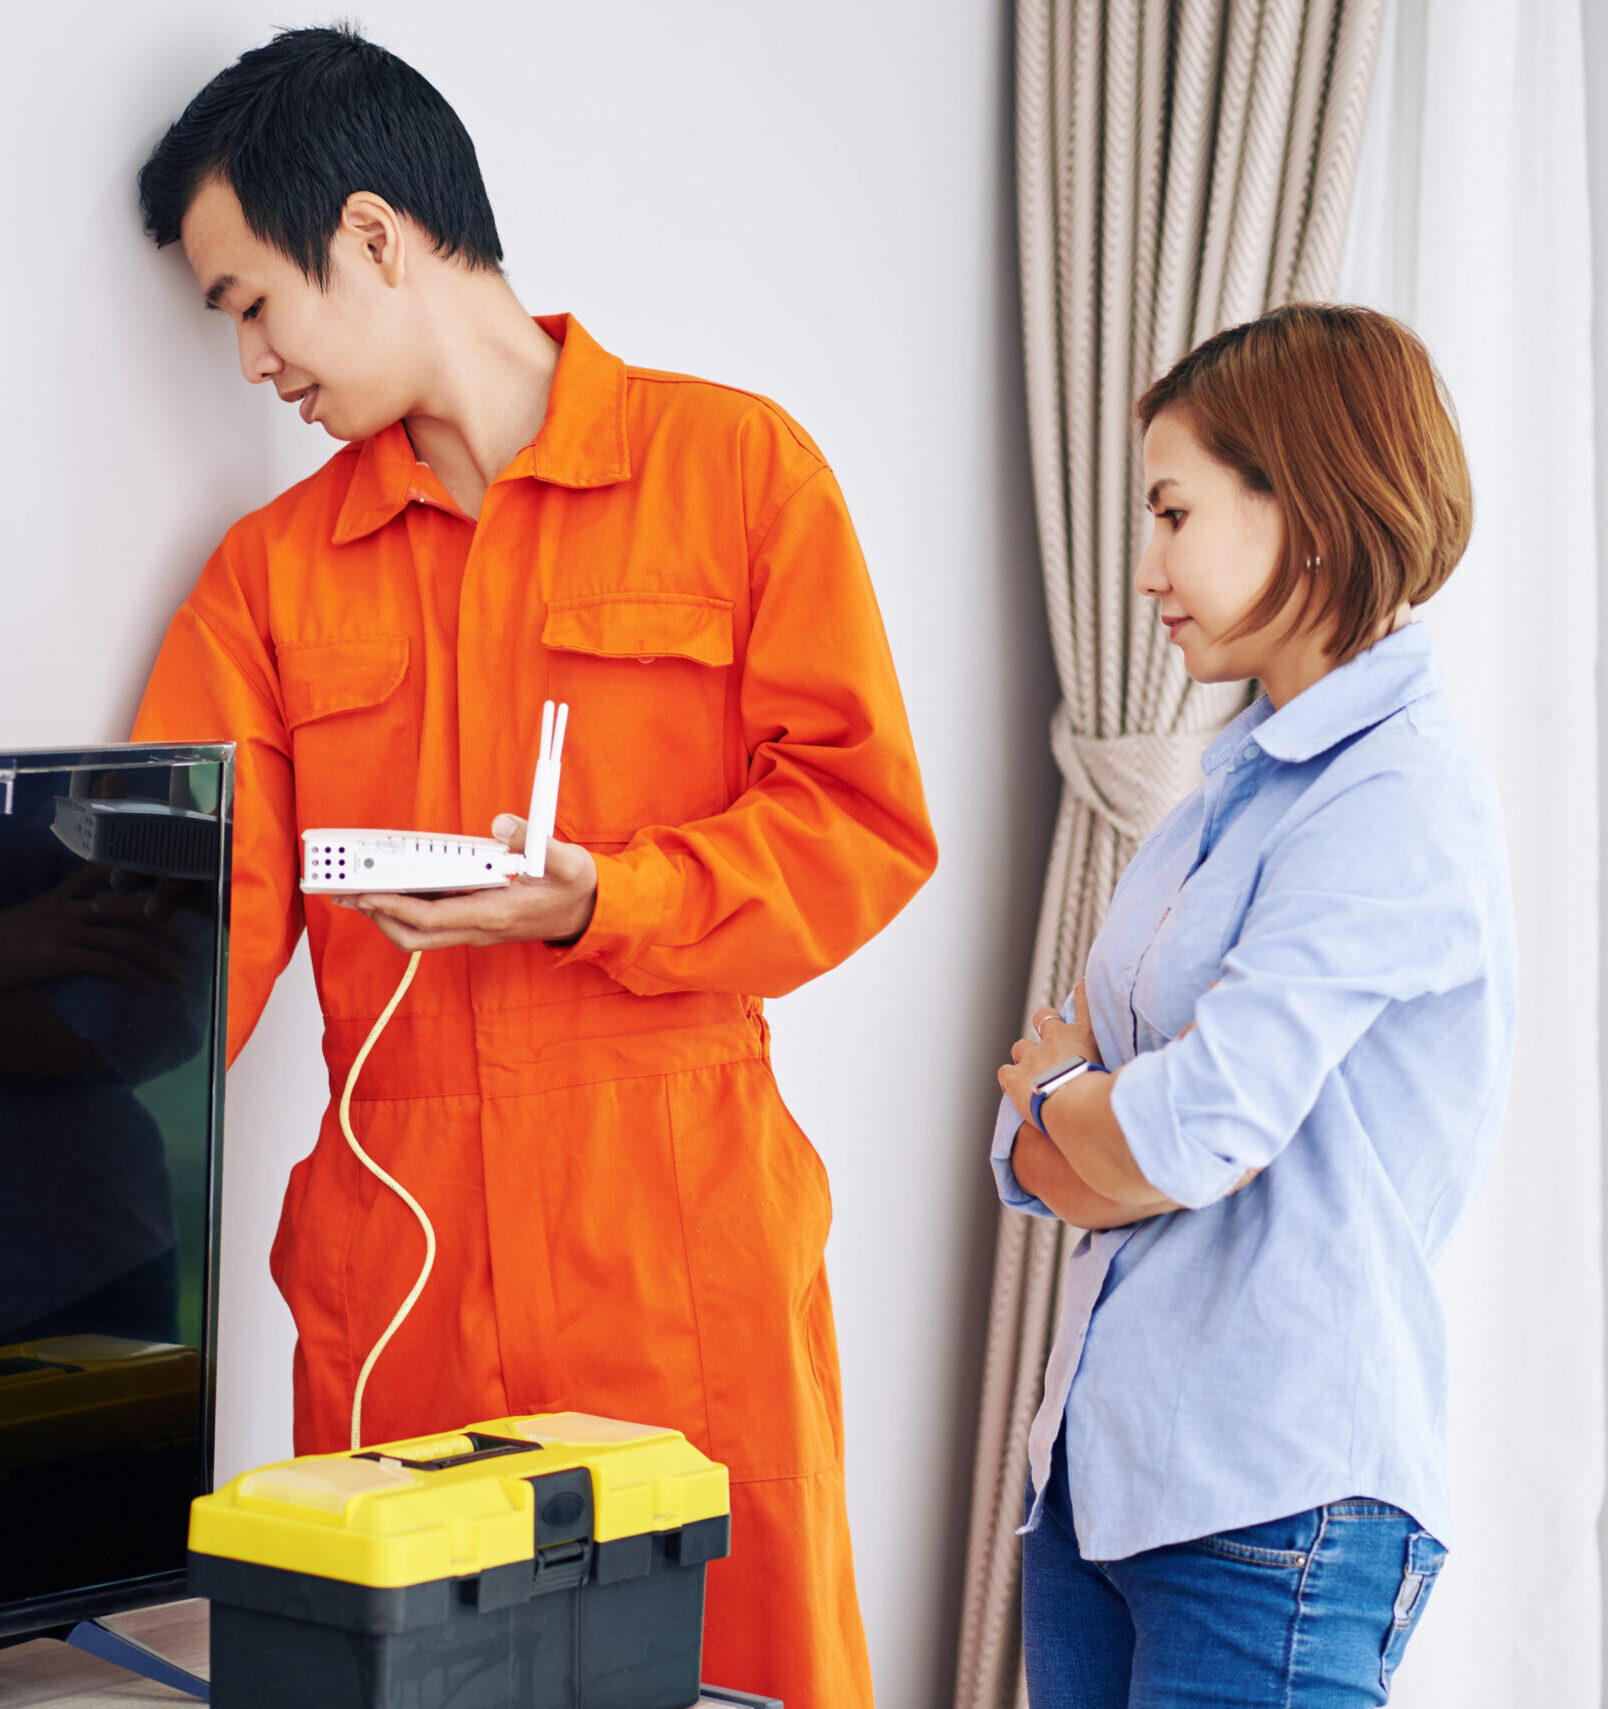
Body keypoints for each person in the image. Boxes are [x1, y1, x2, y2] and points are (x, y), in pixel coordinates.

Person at [131, 26, 937, 1708]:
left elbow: (863, 826)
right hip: (398, 1279)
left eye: (250, 304)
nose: (253, 365)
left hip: (680, 1256)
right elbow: (179, 946)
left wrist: (603, 899)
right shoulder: (271, 578)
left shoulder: (739, 477)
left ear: (369, 236)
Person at [993, 304, 1515, 1707]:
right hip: (1103, 1477)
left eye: (1174, 513)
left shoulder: (1395, 791)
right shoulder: (1232, 781)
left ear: (1317, 508)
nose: (1148, 567)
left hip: (1271, 1500)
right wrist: (1080, 1117)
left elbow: (1185, 1128)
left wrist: (1064, 1099)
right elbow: (1055, 1161)